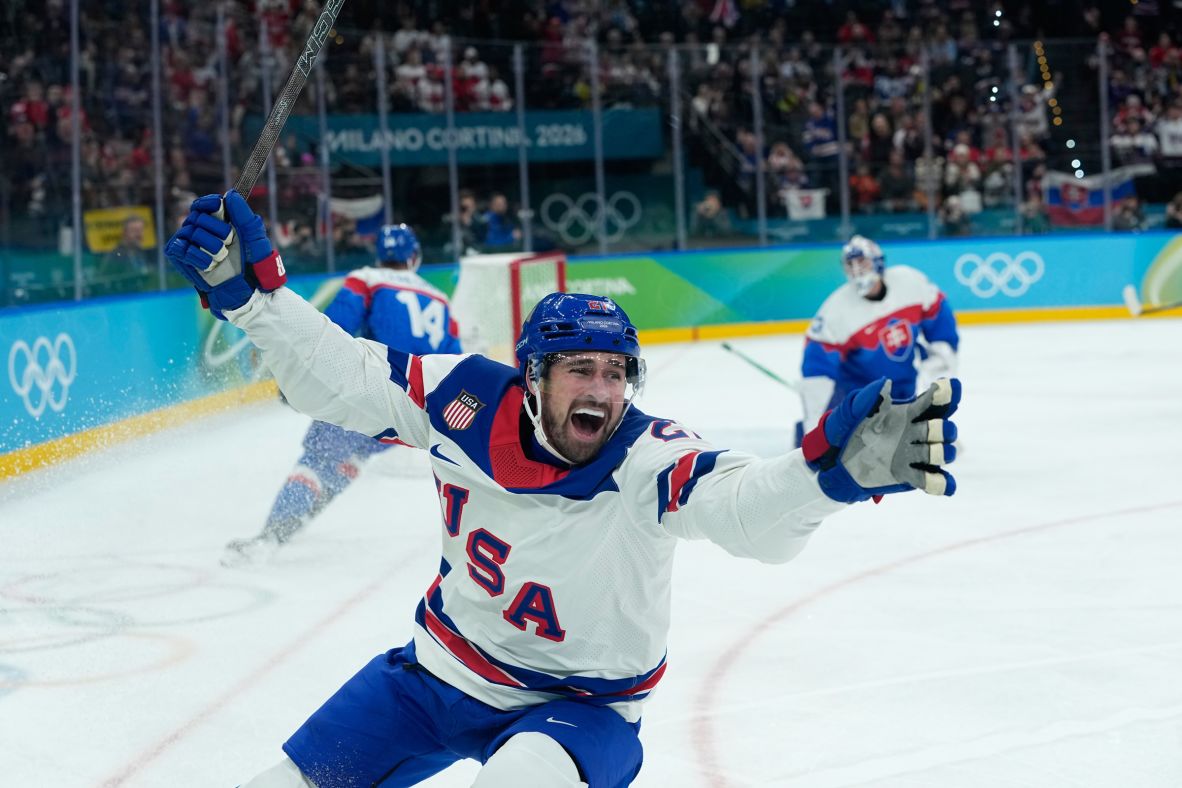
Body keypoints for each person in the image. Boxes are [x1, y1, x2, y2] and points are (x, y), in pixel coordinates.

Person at [164, 192, 961, 787]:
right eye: (581, 369)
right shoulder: (460, 397)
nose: (602, 389)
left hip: (579, 711)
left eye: (616, 373)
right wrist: (253, 299)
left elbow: (749, 513)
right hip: (436, 676)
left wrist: (824, 482)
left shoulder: (649, 457)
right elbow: (343, 378)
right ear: (533, 376)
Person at [222, 223, 462, 566]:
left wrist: (299, 377)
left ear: (380, 254)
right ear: (414, 256)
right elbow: (455, 362)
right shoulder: (440, 299)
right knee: (346, 462)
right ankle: (296, 519)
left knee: (319, 459)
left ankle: (272, 535)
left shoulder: (366, 279)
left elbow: (332, 328)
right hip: (412, 413)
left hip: (366, 391)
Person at [796, 235, 959, 448]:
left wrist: (937, 368)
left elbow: (940, 323)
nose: (857, 270)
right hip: (856, 395)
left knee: (911, 443)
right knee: (853, 450)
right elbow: (816, 367)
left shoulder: (910, 282)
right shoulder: (835, 310)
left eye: (862, 262)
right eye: (850, 265)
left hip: (904, 387)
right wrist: (815, 428)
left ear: (878, 261)